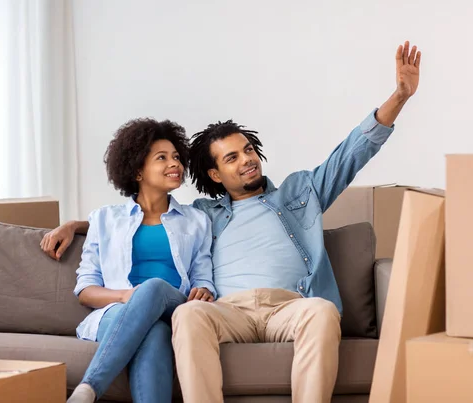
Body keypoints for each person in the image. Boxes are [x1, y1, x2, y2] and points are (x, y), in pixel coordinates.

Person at [43, 41, 421, 403]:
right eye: (232, 158)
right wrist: (76, 225)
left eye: (248, 150)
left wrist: (400, 96)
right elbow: (144, 219)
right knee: (189, 314)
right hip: (229, 311)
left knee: (322, 311)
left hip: (290, 305)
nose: (247, 160)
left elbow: (352, 152)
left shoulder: (300, 193)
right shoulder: (201, 216)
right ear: (216, 175)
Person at [50, 118, 216, 403]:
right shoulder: (104, 219)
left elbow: (202, 276)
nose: (174, 164)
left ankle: (88, 388)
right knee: (154, 334)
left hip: (175, 307)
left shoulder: (197, 220)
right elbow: (86, 291)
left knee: (153, 288)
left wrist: (205, 289)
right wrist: (127, 295)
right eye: (162, 158)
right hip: (116, 313)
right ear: (138, 170)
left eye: (176, 157)